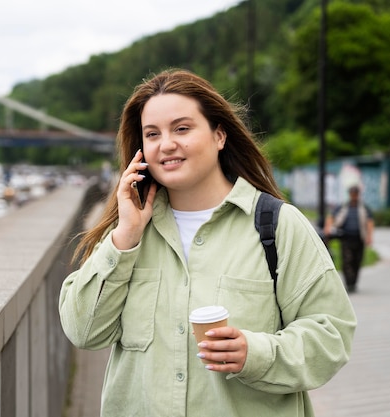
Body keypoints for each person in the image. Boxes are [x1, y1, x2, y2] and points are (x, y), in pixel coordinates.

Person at [58, 69, 356, 417]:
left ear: (219, 136)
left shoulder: (277, 226)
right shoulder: (127, 235)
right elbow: (83, 331)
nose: (166, 144)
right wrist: (123, 239)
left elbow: (332, 334)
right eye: (152, 134)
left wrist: (255, 354)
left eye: (182, 128)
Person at [324, 184, 374, 293]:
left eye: (355, 194)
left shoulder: (364, 208)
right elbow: (331, 216)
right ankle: (349, 283)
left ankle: (354, 282)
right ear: (350, 194)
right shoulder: (343, 207)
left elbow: (369, 222)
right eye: (352, 194)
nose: (354, 196)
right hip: (346, 238)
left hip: (359, 238)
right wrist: (328, 228)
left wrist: (370, 237)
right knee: (347, 261)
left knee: (357, 261)